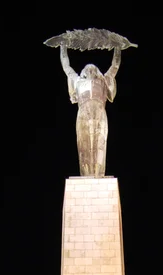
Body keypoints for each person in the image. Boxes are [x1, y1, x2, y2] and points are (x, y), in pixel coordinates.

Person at [60, 43, 121, 177]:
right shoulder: (78, 82)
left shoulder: (103, 81)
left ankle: (99, 174)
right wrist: (62, 47)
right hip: (83, 113)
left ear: (97, 71)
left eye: (93, 68)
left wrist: (118, 47)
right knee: (84, 144)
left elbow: (114, 66)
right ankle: (86, 174)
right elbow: (67, 68)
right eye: (87, 69)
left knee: (99, 143)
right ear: (83, 72)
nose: (90, 70)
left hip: (99, 112)